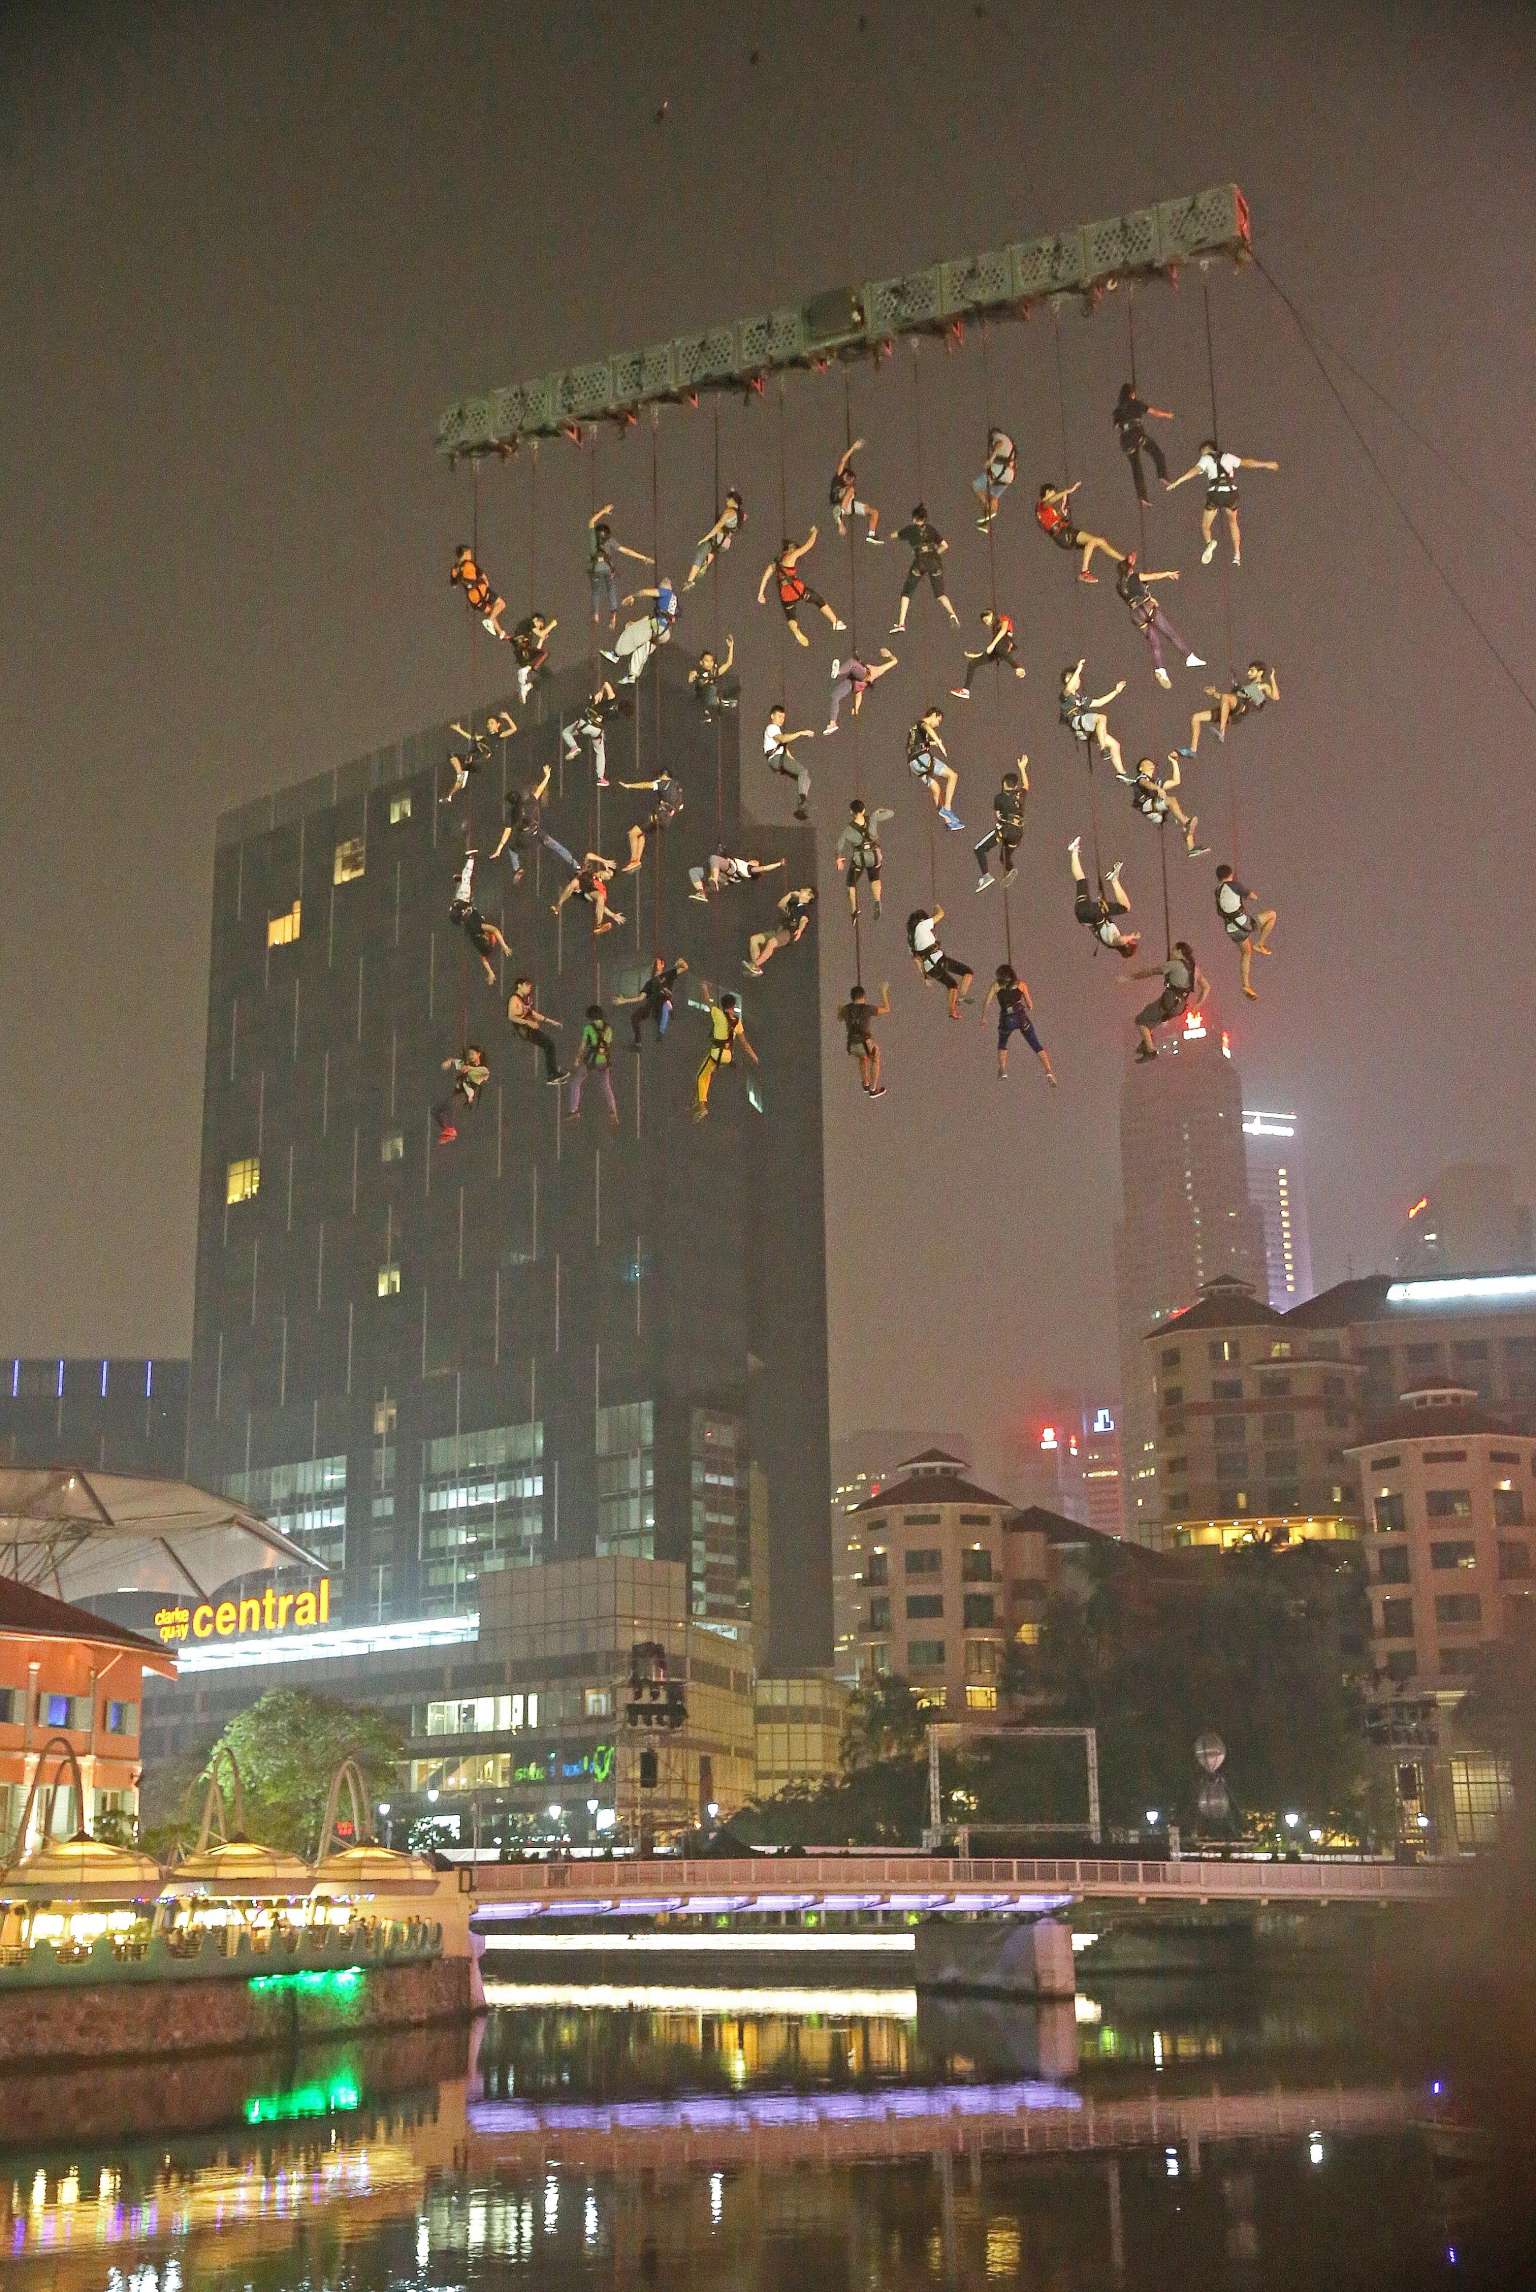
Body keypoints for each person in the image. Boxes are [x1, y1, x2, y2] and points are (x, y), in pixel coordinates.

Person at [1167, 438, 1279, 565]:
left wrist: (1178, 481)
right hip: (1231, 494)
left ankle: (1209, 543)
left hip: (1215, 494)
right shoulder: (1227, 456)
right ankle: (1237, 554)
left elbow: (1195, 470)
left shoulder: (1206, 458)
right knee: (1233, 522)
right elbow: (1247, 463)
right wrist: (1266, 464)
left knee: (1205, 526)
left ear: (1206, 449)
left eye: (1202, 452)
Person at [1115, 550, 1205, 689]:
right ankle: (1189, 657)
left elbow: (1134, 596)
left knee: (1155, 643)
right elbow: (1154, 576)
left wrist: (1149, 596)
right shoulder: (1135, 577)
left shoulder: (1119, 586)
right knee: (1171, 634)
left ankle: (1160, 670)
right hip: (1147, 608)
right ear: (1130, 570)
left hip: (1136, 615)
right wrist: (1168, 573)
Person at [757, 527, 845, 648]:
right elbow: (808, 545)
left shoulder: (775, 563)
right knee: (818, 599)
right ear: (790, 548)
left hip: (785, 594)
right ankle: (835, 622)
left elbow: (765, 577)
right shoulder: (791, 556)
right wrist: (814, 533)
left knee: (790, 616)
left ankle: (795, 630)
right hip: (797, 589)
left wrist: (760, 593)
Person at [1129, 938, 1210, 1062]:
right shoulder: (1195, 969)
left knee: (1141, 1020)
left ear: (1179, 951)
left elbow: (1150, 972)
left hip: (1169, 1000)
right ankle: (1146, 1043)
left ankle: (1150, 1050)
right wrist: (1198, 1004)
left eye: (1173, 950)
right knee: (1150, 1022)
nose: (1171, 952)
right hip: (1180, 1006)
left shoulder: (1174, 964)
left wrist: (1130, 977)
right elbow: (1206, 987)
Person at [1117, 753, 1209, 857]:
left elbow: (1176, 781)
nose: (1151, 764)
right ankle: (1186, 823)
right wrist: (1157, 789)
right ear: (1141, 768)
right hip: (1146, 806)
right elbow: (1145, 783)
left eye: (1152, 763)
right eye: (1147, 763)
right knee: (1172, 801)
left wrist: (1174, 762)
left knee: (1179, 818)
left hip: (1157, 812)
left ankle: (1191, 847)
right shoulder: (1141, 777)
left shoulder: (1156, 782)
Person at [1183, 661, 1279, 755]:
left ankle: (1221, 732)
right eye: (1249, 670)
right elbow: (1225, 699)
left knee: (1227, 697)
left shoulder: (1262, 686)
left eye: (1252, 671)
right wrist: (1213, 693)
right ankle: (1193, 750)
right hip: (1230, 710)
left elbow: (1275, 697)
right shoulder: (1243, 687)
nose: (1248, 673)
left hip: (1242, 709)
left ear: (1260, 672)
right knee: (1195, 717)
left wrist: (1272, 678)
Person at [890, 503, 960, 632]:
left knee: (906, 593)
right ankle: (952, 614)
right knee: (940, 594)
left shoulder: (911, 529)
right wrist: (934, 553)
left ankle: (901, 623)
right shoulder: (931, 529)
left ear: (914, 518)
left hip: (920, 562)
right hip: (935, 562)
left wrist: (890, 534)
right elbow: (945, 545)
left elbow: (895, 535)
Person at [1035, 482, 1123, 582]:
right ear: (1047, 492)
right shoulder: (1042, 505)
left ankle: (1124, 560)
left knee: (1100, 541)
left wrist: (1061, 514)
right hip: (1062, 535)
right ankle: (1084, 572)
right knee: (1093, 541)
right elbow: (1050, 501)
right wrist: (1067, 491)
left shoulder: (1046, 510)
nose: (1054, 495)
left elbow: (1052, 520)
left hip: (1065, 531)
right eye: (1053, 493)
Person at [693, 987, 759, 1121]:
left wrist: (704, 988)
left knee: (700, 1076)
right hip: (727, 1057)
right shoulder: (737, 1022)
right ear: (733, 1006)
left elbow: (707, 1000)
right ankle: (698, 1099)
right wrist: (754, 1057)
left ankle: (701, 1106)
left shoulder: (717, 1014)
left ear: (723, 1005)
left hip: (716, 1054)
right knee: (706, 1074)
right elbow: (745, 1044)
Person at [1068, 837, 1140, 958]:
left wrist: (1130, 937)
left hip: (1090, 913)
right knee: (1081, 880)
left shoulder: (1113, 942)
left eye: (1131, 942)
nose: (1131, 940)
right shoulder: (1113, 939)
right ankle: (1073, 850)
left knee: (1125, 907)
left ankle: (1114, 879)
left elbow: (1120, 940)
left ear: (1126, 945)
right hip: (1083, 912)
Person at [984, 964, 1056, 1084]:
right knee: (1036, 1045)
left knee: (1002, 1044)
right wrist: (1025, 1004)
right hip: (1021, 1018)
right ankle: (1049, 1071)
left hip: (1006, 1020)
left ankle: (1002, 1069)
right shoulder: (1021, 985)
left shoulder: (996, 986)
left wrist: (984, 1017)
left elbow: (987, 1002)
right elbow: (1030, 1005)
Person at [1214, 864, 1277, 998]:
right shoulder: (1234, 885)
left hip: (1231, 929)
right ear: (1230, 874)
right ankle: (1260, 944)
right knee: (1272, 915)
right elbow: (1253, 897)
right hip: (1244, 923)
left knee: (1246, 953)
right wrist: (1241, 890)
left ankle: (1246, 985)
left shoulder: (1218, 891)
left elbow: (1220, 911)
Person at [587, 503, 652, 628]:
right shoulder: (610, 541)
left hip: (596, 568)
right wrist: (643, 557)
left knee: (595, 591)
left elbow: (591, 521)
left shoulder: (593, 538)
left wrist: (603, 511)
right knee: (611, 590)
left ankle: (596, 614)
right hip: (607, 568)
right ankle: (613, 615)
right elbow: (626, 551)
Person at [1059, 659, 1126, 775]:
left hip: (1085, 729)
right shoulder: (1066, 695)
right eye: (1076, 678)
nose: (1078, 681)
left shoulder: (1081, 699)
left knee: (1115, 745)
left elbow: (1099, 702)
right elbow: (1069, 688)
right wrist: (1078, 669)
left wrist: (1116, 692)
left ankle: (1122, 773)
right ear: (1068, 679)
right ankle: (1103, 749)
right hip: (1076, 721)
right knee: (1101, 718)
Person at [604, 579, 678, 684]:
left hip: (657, 626)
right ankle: (632, 675)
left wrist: (632, 596)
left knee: (631, 632)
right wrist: (636, 623)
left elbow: (644, 592)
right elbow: (649, 618)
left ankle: (615, 655)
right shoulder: (672, 600)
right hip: (664, 633)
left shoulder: (666, 592)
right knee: (642, 646)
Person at [1111, 381, 1174, 506]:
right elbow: (1154, 412)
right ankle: (1162, 475)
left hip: (1125, 440)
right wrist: (1168, 415)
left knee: (1136, 468)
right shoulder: (1136, 403)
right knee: (1156, 452)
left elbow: (1117, 426)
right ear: (1131, 394)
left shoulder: (1117, 410)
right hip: (1136, 434)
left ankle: (1142, 497)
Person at [490, 760, 553, 879]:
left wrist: (499, 849)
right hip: (531, 836)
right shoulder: (528, 803)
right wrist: (547, 777)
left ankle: (519, 868)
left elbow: (506, 833)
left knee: (515, 848)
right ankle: (520, 869)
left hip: (529, 837)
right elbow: (540, 790)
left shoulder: (522, 807)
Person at [907, 907, 974, 1018]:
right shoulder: (921, 926)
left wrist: (925, 977)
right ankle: (961, 997)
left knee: (952, 985)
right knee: (968, 972)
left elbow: (917, 960)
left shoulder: (910, 940)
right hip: (939, 960)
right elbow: (941, 914)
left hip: (931, 970)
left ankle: (952, 1011)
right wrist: (937, 906)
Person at [547, 841, 624, 935]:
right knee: (574, 877)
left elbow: (601, 905)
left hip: (584, 892)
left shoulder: (601, 887)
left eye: (609, 877)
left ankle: (598, 926)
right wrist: (604, 861)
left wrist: (612, 915)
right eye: (608, 873)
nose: (607, 876)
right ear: (604, 869)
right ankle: (558, 906)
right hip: (574, 878)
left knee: (598, 896)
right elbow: (588, 855)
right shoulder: (592, 870)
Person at [835, 798, 894, 922]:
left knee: (850, 884)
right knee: (875, 878)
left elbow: (839, 844)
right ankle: (877, 900)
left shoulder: (848, 829)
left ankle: (854, 910)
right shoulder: (872, 819)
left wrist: (839, 858)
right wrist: (879, 811)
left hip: (860, 858)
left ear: (851, 812)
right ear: (863, 810)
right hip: (874, 856)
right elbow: (891, 813)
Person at [974, 760, 1028, 890]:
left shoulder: (999, 798)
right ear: (1015, 786)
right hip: (1018, 833)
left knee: (979, 849)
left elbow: (998, 815)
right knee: (1004, 857)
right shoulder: (1020, 795)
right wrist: (1022, 768)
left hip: (1006, 829)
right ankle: (1010, 869)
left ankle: (986, 876)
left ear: (1004, 784)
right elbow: (1026, 784)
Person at [950, 607, 1026, 700]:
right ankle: (965, 690)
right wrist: (975, 655)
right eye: (985, 622)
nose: (987, 623)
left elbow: (1003, 631)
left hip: (1005, 641)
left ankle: (1017, 667)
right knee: (972, 663)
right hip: (998, 648)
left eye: (986, 620)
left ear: (991, 614)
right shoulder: (995, 631)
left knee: (999, 648)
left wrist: (993, 644)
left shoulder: (1003, 618)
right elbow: (990, 650)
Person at [906, 708, 963, 829]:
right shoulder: (921, 723)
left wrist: (933, 743)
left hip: (914, 764)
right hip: (922, 758)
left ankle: (949, 822)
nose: (937, 725)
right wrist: (940, 744)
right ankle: (947, 808)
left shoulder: (916, 730)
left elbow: (918, 743)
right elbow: (927, 727)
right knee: (953, 776)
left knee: (936, 789)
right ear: (933, 715)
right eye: (938, 720)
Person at [615, 954, 688, 1049]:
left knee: (665, 1005)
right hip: (651, 1006)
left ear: (662, 964)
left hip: (662, 1003)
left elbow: (685, 967)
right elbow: (640, 998)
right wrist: (624, 1001)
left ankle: (662, 1029)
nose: (655, 965)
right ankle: (638, 1043)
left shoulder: (668, 974)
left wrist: (680, 962)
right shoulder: (650, 983)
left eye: (657, 963)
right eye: (654, 963)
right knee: (635, 1017)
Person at [561, 680, 624, 786]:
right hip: (597, 731)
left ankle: (574, 747)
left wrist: (601, 691)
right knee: (600, 752)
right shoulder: (616, 714)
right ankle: (600, 777)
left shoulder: (607, 701)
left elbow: (606, 684)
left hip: (583, 725)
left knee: (566, 732)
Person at [617, 771, 684, 871]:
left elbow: (646, 785)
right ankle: (637, 860)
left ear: (663, 776)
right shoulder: (677, 786)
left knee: (632, 833)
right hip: (666, 821)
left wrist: (629, 786)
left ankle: (633, 861)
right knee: (641, 834)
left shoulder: (663, 783)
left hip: (658, 816)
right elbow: (680, 807)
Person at [824, 646, 898, 734]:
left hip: (863, 676)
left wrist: (890, 655)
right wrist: (856, 708)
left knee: (852, 663)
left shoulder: (878, 670)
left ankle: (838, 672)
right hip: (854, 681)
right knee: (835, 696)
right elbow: (858, 694)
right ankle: (832, 723)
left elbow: (895, 661)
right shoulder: (859, 683)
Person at [567, 1005, 619, 1129]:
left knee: (576, 1083)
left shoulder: (588, 1028)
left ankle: (574, 1110)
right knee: (606, 1085)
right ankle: (613, 1111)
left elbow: (583, 1046)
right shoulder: (608, 1028)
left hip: (591, 1060)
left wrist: (577, 1060)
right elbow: (608, 1044)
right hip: (604, 1060)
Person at [506, 976, 566, 1085]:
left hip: (530, 1029)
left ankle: (553, 1074)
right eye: (527, 985)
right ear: (519, 986)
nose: (529, 988)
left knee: (549, 1045)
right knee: (549, 1045)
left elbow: (533, 1014)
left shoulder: (524, 1000)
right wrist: (527, 1022)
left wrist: (552, 1022)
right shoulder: (514, 999)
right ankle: (552, 1075)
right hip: (525, 1030)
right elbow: (511, 1016)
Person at [762, 704, 817, 821]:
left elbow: (785, 751)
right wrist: (800, 733)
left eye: (783, 717)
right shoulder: (771, 727)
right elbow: (782, 739)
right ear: (772, 716)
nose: (781, 719)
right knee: (803, 772)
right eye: (779, 716)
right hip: (776, 759)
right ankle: (802, 802)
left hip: (779, 759)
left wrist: (794, 762)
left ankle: (801, 807)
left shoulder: (776, 730)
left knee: (806, 778)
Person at [837, 980, 891, 1098]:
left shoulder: (846, 1009)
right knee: (875, 1057)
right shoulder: (867, 1009)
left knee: (863, 1058)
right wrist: (883, 992)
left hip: (851, 1045)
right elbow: (887, 1009)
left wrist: (839, 1008)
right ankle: (873, 1089)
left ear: (852, 997)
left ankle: (866, 1083)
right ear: (863, 996)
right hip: (865, 1043)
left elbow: (839, 1018)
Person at [745, 885, 815, 975]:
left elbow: (804, 920)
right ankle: (755, 968)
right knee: (754, 939)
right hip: (780, 930)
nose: (801, 889)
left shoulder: (804, 909)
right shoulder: (793, 905)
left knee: (771, 942)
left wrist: (800, 930)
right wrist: (790, 894)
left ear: (809, 896)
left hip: (789, 933)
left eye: (805, 890)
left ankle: (755, 965)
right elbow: (781, 905)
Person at [683, 491, 746, 590]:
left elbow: (718, 527)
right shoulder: (741, 514)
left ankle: (690, 581)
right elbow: (741, 521)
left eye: (727, 500)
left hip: (719, 539)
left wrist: (705, 538)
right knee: (712, 550)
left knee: (701, 550)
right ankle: (706, 563)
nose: (726, 502)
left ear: (732, 500)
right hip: (726, 544)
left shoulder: (729, 512)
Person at [432, 1044, 491, 1142]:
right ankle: (446, 1130)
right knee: (435, 1110)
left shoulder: (482, 1069)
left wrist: (469, 1068)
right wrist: (449, 1061)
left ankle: (451, 1129)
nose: (470, 1056)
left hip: (466, 1094)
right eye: (469, 1054)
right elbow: (454, 1061)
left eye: (472, 1054)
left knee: (451, 1105)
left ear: (478, 1054)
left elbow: (485, 1072)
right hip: (457, 1092)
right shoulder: (465, 1064)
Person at [449, 544, 509, 639]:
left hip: (473, 598)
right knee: (501, 604)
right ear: (466, 553)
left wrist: (460, 577)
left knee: (491, 612)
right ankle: (490, 621)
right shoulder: (469, 564)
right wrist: (485, 583)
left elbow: (454, 585)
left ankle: (501, 633)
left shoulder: (455, 569)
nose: (470, 555)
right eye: (469, 553)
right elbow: (483, 576)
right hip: (481, 590)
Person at [830, 437, 882, 542]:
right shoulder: (838, 477)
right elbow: (843, 460)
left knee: (874, 512)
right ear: (845, 476)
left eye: (851, 481)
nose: (850, 482)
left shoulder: (849, 487)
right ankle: (841, 514)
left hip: (848, 505)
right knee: (851, 490)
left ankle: (871, 535)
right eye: (849, 480)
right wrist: (853, 448)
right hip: (839, 503)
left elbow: (850, 495)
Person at [688, 849, 785, 900]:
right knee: (693, 871)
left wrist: (779, 864)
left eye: (756, 862)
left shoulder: (750, 869)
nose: (754, 860)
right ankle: (702, 893)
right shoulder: (744, 874)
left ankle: (714, 878)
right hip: (724, 878)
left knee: (713, 858)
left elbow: (764, 868)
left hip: (729, 870)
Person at [457, 902, 512, 987]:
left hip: (464, 908)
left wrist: (504, 946)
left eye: (493, 939)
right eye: (494, 938)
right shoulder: (481, 930)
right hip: (468, 910)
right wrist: (504, 946)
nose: (495, 938)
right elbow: (495, 931)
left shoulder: (478, 929)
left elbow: (495, 931)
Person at [972, 426, 1018, 528]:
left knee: (976, 485)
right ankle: (991, 513)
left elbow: (998, 444)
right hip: (1009, 475)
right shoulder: (1010, 443)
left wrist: (991, 460)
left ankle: (988, 506)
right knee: (994, 495)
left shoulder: (997, 436)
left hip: (999, 470)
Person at [510, 611, 558, 703]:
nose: (539, 628)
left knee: (547, 675)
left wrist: (541, 639)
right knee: (545, 653)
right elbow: (541, 633)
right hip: (521, 648)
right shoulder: (529, 622)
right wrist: (552, 625)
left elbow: (537, 652)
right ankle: (525, 670)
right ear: (536, 619)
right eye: (540, 626)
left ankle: (526, 687)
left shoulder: (528, 633)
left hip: (524, 653)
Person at [440, 719, 489, 805]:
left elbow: (473, 740)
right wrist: (459, 729)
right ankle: (449, 795)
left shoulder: (482, 747)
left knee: (462, 784)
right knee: (460, 776)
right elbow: (470, 737)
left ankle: (449, 796)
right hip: (459, 757)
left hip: (466, 762)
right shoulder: (479, 741)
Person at [688, 638, 739, 721]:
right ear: (701, 662)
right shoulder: (698, 672)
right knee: (708, 689)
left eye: (711, 661)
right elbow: (690, 681)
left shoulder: (714, 672)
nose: (709, 663)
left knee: (713, 689)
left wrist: (731, 647)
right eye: (706, 661)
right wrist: (692, 676)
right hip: (701, 700)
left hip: (712, 701)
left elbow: (728, 663)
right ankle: (710, 710)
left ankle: (718, 705)